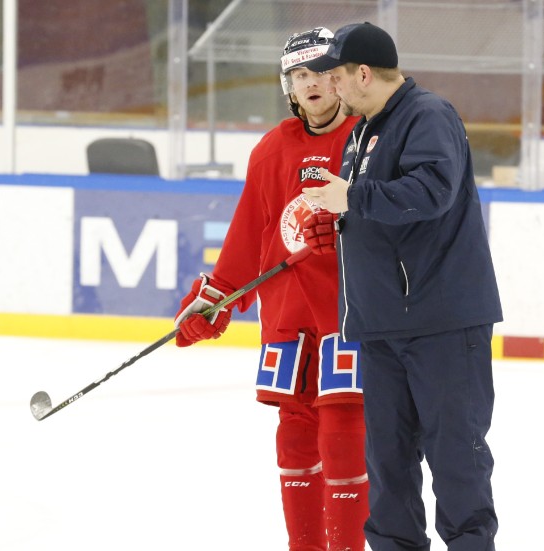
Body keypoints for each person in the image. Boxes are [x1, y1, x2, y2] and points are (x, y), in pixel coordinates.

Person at [301, 22, 504, 551]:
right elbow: (367, 204)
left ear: (363, 73)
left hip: (440, 322)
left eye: (337, 78)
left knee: (456, 455)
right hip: (382, 324)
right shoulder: (365, 131)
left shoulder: (428, 115)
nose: (332, 89)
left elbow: (431, 190)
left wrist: (354, 201)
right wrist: (336, 224)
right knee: (388, 464)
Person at [173, 27, 369, 551]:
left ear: (343, 77)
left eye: (323, 72)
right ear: (289, 86)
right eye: (301, 75)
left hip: (350, 316)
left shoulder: (370, 138)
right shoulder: (272, 149)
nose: (312, 83)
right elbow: (245, 235)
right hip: (287, 316)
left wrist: (353, 227)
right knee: (295, 438)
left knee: (345, 435)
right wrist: (216, 297)